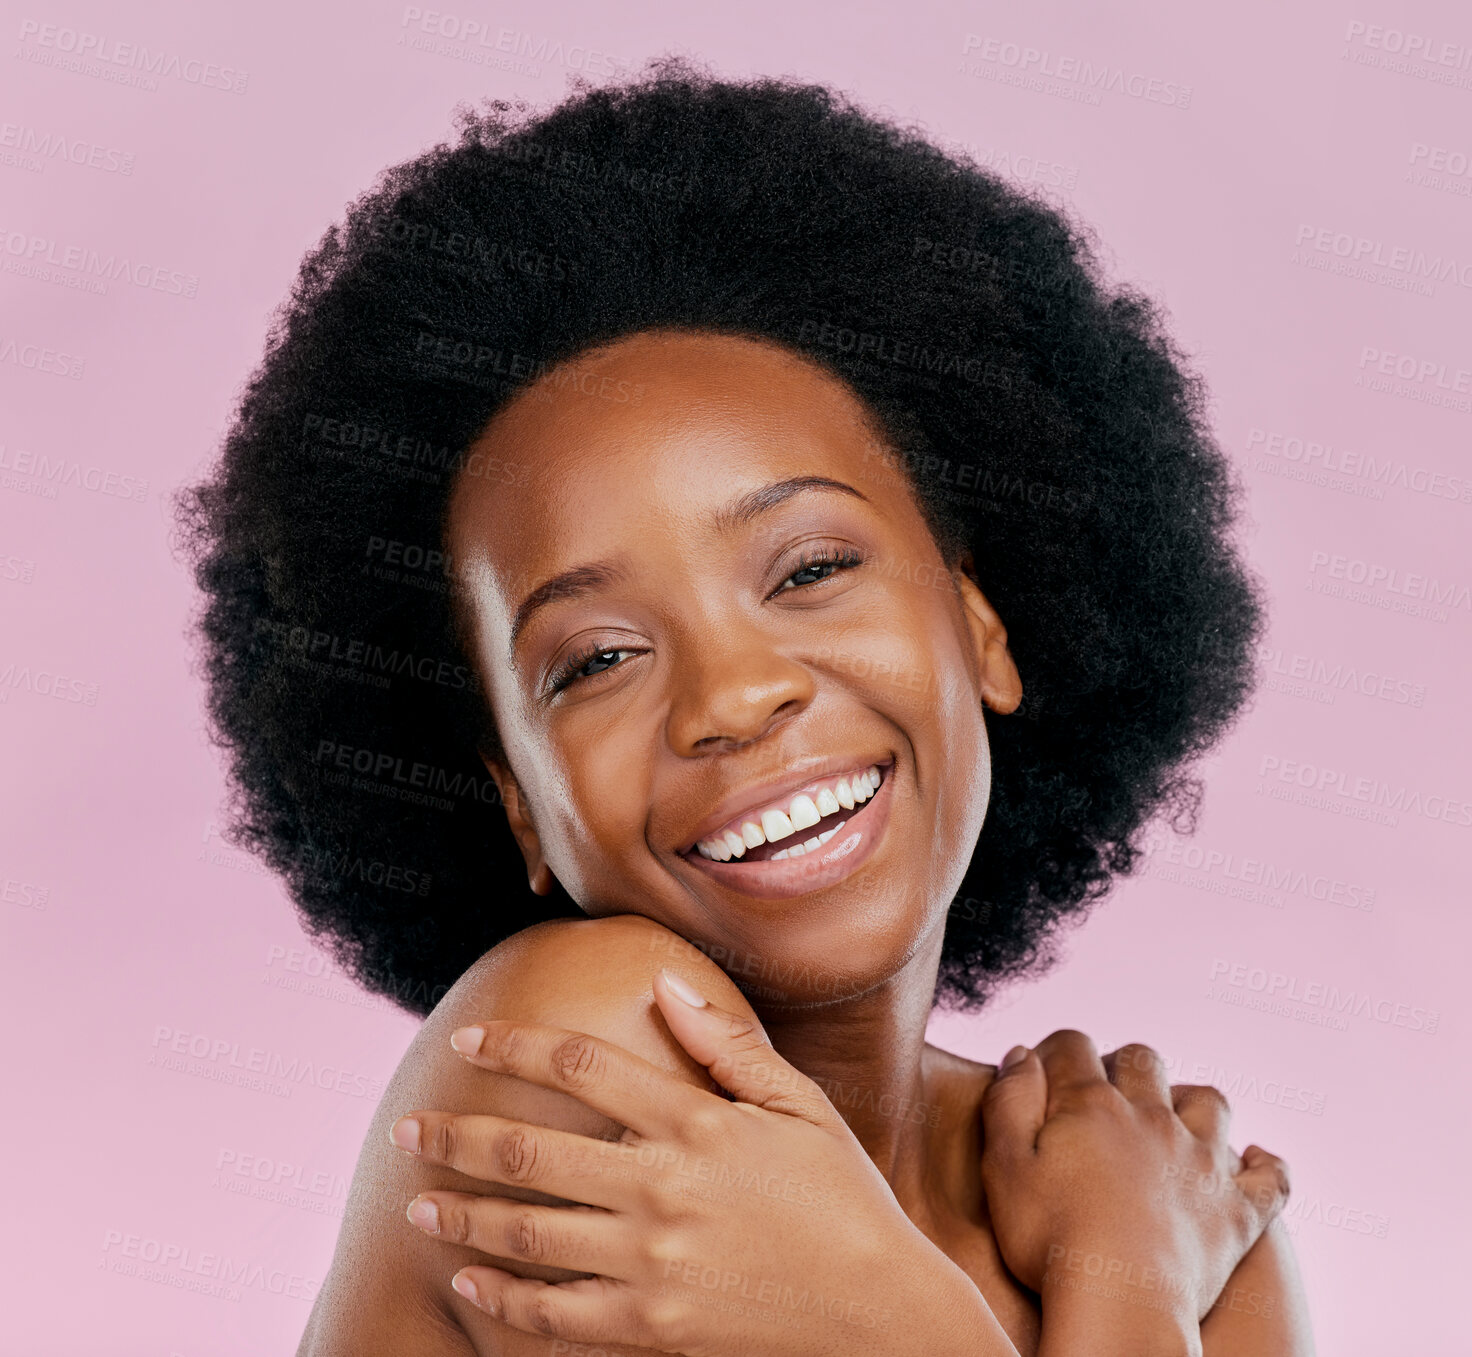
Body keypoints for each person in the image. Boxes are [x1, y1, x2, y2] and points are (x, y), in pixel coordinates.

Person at [178, 56, 1313, 1355]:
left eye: (814, 568)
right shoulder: (574, 1057)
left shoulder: (1178, 1206)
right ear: (521, 806)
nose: (735, 695)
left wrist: (1138, 1259)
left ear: (986, 629)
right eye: (597, 657)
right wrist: (1116, 1290)